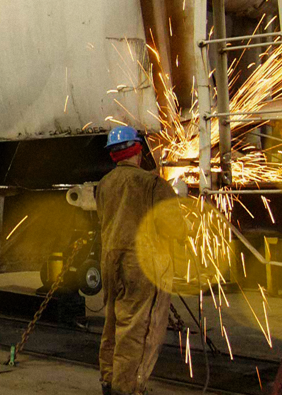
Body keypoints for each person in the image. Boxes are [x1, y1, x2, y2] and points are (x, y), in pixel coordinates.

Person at [97, 126, 187, 395]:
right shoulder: (152, 184)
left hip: (111, 262)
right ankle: (127, 389)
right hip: (142, 266)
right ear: (137, 151)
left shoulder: (104, 184)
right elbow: (176, 229)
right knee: (140, 329)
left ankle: (109, 381)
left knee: (113, 323)